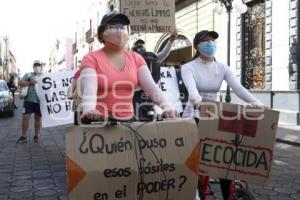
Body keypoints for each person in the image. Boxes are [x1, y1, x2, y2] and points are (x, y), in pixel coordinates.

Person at [181, 30, 263, 200]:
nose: (210, 43)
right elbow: (192, 91)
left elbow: (239, 89)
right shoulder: (188, 67)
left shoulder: (222, 68)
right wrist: (199, 102)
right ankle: (198, 190)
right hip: (194, 115)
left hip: (215, 115)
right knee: (198, 161)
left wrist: (256, 103)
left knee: (223, 160)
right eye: (205, 40)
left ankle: (229, 195)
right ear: (197, 46)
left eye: (212, 40)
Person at [79, 12, 176, 121]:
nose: (119, 31)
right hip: (101, 122)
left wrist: (166, 106)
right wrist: (89, 109)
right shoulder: (91, 58)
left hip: (129, 122)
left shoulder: (136, 58)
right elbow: (89, 87)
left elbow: (151, 87)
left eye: (122, 27)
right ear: (102, 34)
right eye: (113, 27)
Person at [132, 29, 178, 120]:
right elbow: (163, 54)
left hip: (144, 95)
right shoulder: (151, 58)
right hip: (140, 95)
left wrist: (171, 40)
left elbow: (163, 55)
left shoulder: (151, 58)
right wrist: (171, 41)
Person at [16, 60, 44, 143]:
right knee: (25, 117)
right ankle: (24, 136)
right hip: (28, 100)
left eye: (38, 65)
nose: (37, 66)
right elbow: (19, 82)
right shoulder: (28, 75)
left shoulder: (44, 76)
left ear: (41, 66)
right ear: (33, 66)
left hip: (39, 101)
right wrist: (29, 82)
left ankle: (36, 135)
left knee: (38, 118)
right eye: (35, 65)